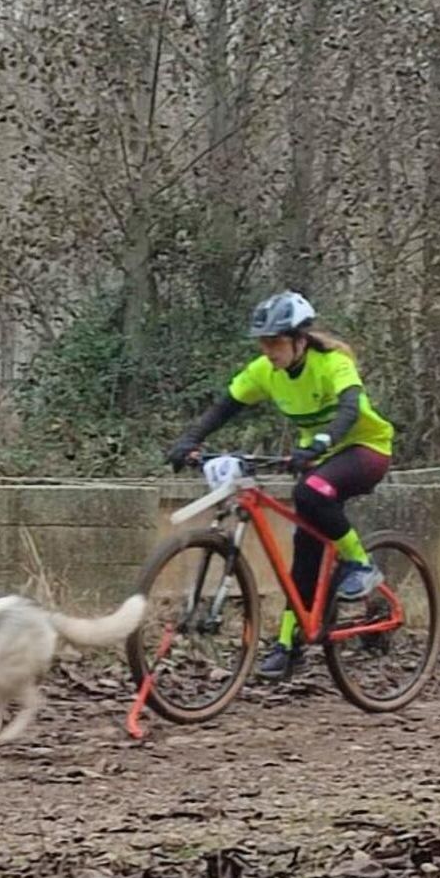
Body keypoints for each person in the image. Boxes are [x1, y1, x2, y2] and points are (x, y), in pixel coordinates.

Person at [165, 291, 395, 680]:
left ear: (299, 339)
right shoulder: (264, 372)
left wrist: (322, 441)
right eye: (264, 343)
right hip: (317, 460)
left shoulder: (333, 363)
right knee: (303, 553)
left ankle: (359, 563)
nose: (268, 351)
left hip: (364, 449)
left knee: (310, 492)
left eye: (275, 342)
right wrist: (189, 441)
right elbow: (225, 406)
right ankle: (289, 645)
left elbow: (351, 407)